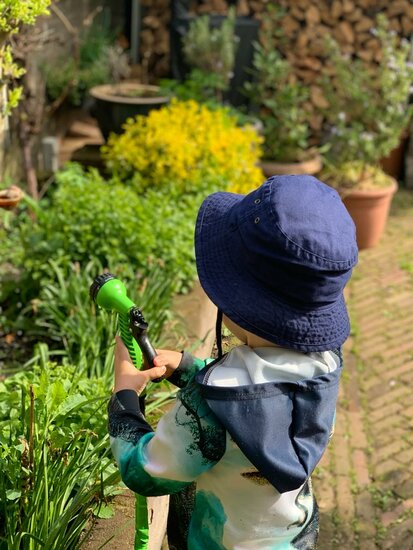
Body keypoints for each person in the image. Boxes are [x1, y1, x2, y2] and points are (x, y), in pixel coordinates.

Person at [108, 174, 358, 549]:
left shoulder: (207, 410)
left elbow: (146, 472)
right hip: (291, 536)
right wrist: (188, 367)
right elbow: (261, 399)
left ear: (243, 302)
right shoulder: (325, 363)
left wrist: (124, 396)